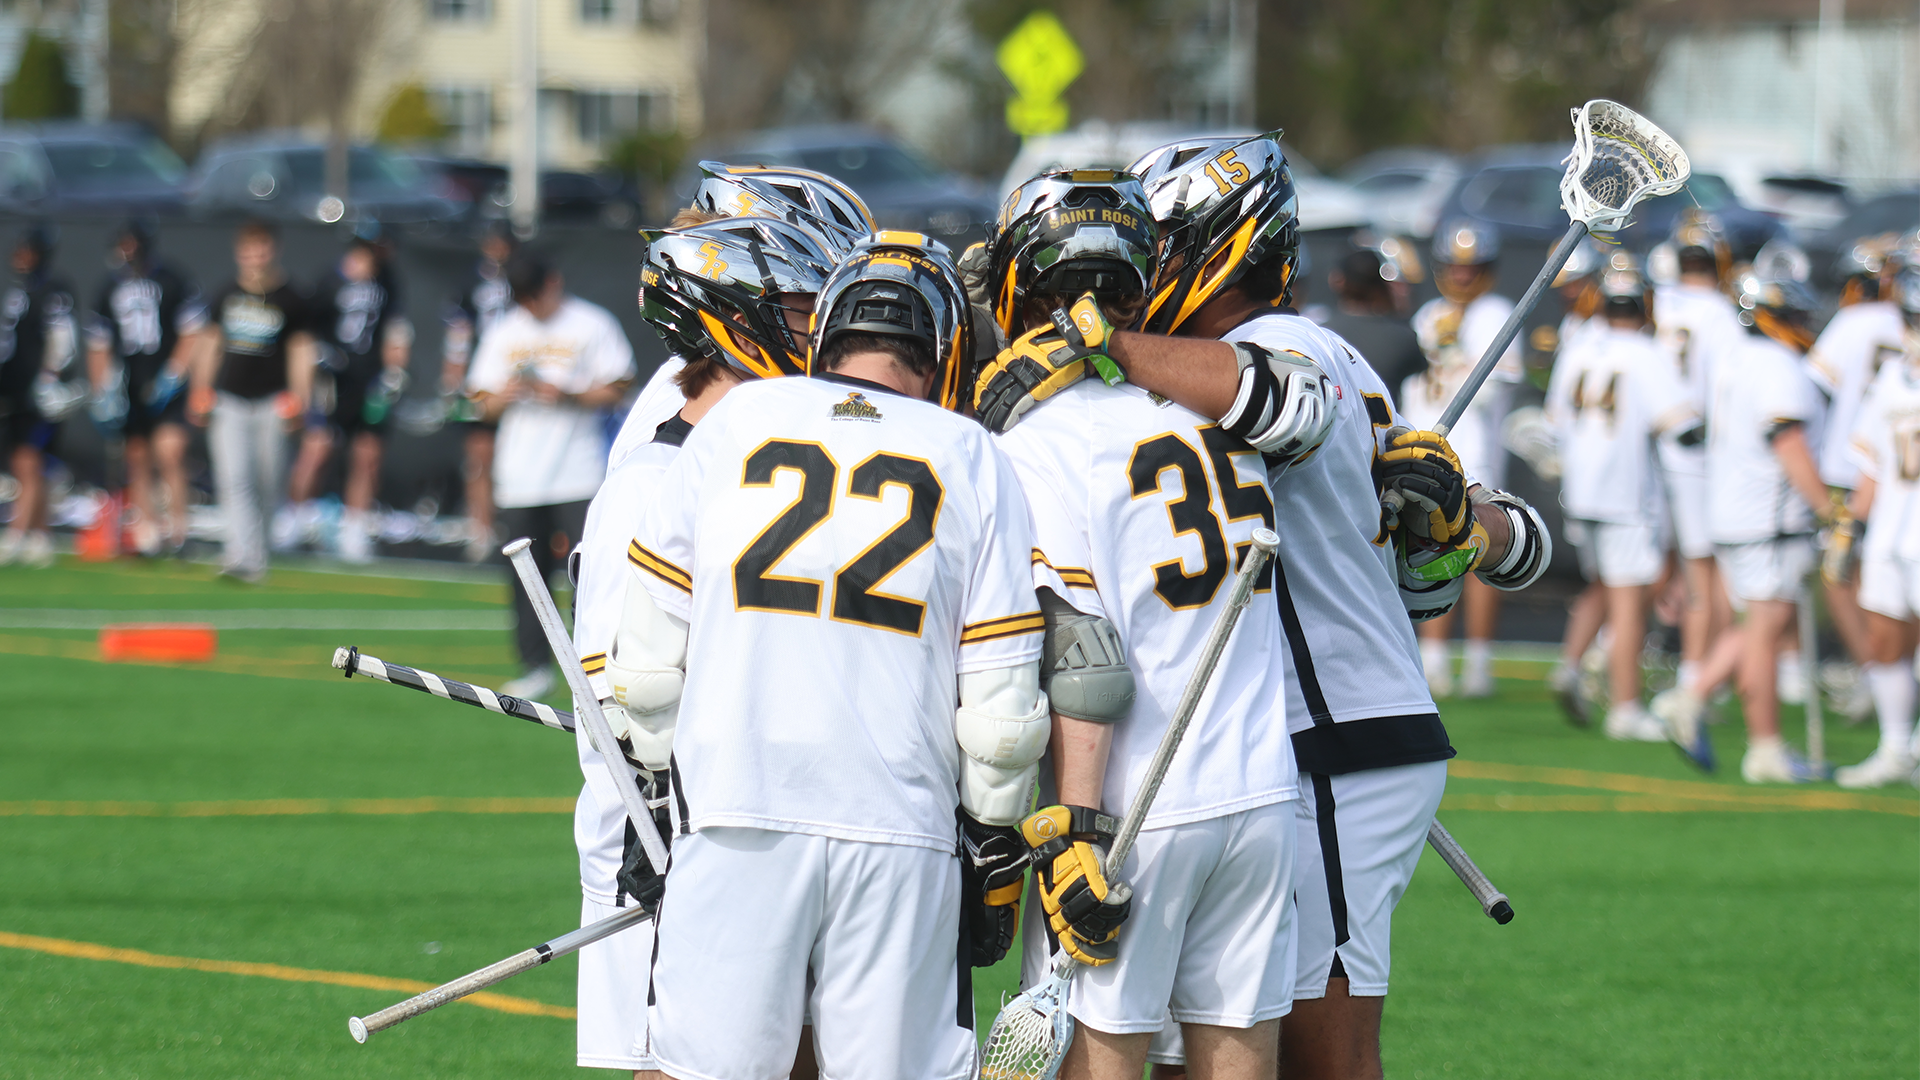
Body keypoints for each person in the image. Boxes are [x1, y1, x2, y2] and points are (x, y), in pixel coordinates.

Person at [976, 138, 1550, 1080]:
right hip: (1308, 745)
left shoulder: (1264, 355)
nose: (1144, 271)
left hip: (1324, 742)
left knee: (1321, 1054)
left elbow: (1287, 410)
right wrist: (1466, 529)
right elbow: (1447, 568)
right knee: (1217, 1040)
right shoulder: (1300, 355)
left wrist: (1102, 348)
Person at [607, 234, 1046, 1079]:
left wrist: (658, 792)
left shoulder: (738, 420)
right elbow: (1000, 714)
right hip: (899, 820)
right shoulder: (971, 455)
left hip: (737, 805)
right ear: (943, 350)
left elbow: (650, 658)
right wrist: (992, 844)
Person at [979, 157, 1304, 1080]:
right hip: (1259, 788)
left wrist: (1075, 827)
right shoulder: (1218, 413)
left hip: (1137, 804)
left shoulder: (1041, 440)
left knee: (1102, 1063)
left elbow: (1085, 653)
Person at [566, 215, 836, 1076]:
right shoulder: (653, 481)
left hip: (756, 830)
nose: (813, 327)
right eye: (794, 307)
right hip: (667, 847)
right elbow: (627, 709)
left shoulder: (754, 459)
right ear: (732, 319)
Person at [1652, 276, 1831, 784]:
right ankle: (1764, 746)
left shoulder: (1734, 359)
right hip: (1766, 516)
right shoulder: (1777, 365)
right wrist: (1827, 507)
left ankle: (1690, 699)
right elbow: (1787, 443)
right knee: (1765, 630)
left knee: (1755, 625)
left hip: (1732, 509)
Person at [1547, 256, 1702, 746]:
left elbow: (1555, 418)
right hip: (1625, 492)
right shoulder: (1644, 352)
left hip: (1581, 487)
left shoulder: (1578, 347)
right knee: (1630, 597)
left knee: (1603, 586)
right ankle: (1627, 708)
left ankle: (1570, 667)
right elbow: (1683, 425)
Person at [467, 252, 634, 699]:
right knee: (527, 579)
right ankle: (534, 664)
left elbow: (619, 385)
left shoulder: (591, 324)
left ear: (553, 283)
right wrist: (507, 393)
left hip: (578, 472)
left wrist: (568, 394)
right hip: (519, 476)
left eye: (535, 296)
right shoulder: (506, 330)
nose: (531, 308)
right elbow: (479, 400)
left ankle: (598, 664)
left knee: (591, 574)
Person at [1402, 218, 1523, 698]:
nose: (1461, 276)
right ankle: (1432, 659)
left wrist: (1455, 352)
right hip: (1426, 445)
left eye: (1471, 268)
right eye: (1454, 267)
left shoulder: (1497, 312)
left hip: (1475, 449)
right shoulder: (1428, 313)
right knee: (1425, 549)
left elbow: (1498, 386)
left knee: (1477, 549)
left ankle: (1478, 659)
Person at [1829, 262, 1920, 788]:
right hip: (1893, 531)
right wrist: (1851, 528)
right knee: (1886, 641)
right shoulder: (1892, 377)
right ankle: (1895, 748)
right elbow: (1872, 467)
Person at [1649, 210, 1743, 702]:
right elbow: (1729, 393)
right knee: (1703, 569)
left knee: (1644, 565)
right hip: (1697, 453)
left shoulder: (1659, 301)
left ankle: (1611, 649)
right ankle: (1694, 676)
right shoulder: (1721, 313)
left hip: (1650, 448)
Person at [190, 219, 316, 584]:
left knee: (267, 479)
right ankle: (240, 555)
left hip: (273, 400)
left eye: (261, 248)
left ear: (272, 250)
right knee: (235, 477)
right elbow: (209, 343)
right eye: (249, 249)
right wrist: (201, 388)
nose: (255, 256)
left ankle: (259, 552)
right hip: (230, 398)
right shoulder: (226, 293)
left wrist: (300, 398)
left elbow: (301, 351)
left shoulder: (291, 298)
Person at [283, 232, 411, 563]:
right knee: (318, 447)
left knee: (367, 453)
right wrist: (314, 368)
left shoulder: (387, 284)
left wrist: (394, 371)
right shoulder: (331, 280)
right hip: (333, 379)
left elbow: (395, 330)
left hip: (369, 380)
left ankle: (354, 528)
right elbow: (307, 330)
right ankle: (294, 518)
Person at [85, 220, 208, 558]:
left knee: (171, 452)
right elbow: (98, 343)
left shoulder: (173, 279)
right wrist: (102, 390)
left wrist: (175, 372)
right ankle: (147, 530)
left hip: (165, 381)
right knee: (137, 458)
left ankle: (179, 529)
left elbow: (192, 330)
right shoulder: (109, 286)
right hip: (129, 382)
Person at [0, 224, 77, 567]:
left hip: (38, 392)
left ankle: (17, 534)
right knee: (28, 463)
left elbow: (63, 338)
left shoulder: (53, 290)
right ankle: (40, 534)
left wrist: (50, 377)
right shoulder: (18, 291)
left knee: (29, 461)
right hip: (16, 390)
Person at [441, 222, 516, 562]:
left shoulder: (522, 279)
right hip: (482, 378)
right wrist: (453, 375)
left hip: (516, 378)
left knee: (514, 455)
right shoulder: (469, 282)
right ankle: (481, 528)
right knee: (479, 457)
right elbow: (458, 332)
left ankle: (510, 526)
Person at [1320, 245, 1423, 393]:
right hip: (1389, 415)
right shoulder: (1404, 338)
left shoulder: (1321, 335)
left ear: (1338, 281)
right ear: (1381, 284)